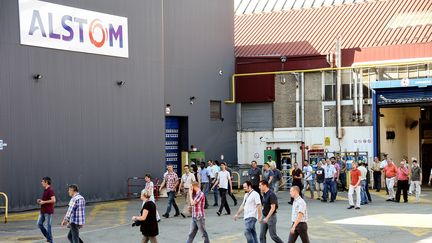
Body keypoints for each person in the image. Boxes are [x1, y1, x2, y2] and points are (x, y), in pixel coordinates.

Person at [37, 177, 56, 243]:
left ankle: (50, 240)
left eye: (42, 181)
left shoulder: (50, 190)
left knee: (48, 226)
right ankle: (49, 238)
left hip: (48, 211)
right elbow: (46, 200)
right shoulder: (45, 190)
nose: (41, 183)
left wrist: (43, 202)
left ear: (46, 182)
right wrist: (40, 201)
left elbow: (53, 200)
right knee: (39, 224)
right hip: (43, 210)